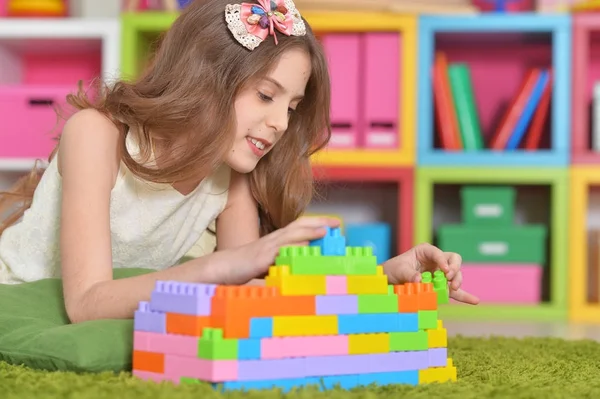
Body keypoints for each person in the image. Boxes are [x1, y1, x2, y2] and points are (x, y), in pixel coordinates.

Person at [0, 0, 479, 323]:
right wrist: (226, 265)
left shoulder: (230, 176)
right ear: (201, 79)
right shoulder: (96, 134)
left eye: (291, 108)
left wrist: (383, 277)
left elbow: (256, 300)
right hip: (23, 299)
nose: (280, 124)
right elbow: (86, 304)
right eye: (266, 96)